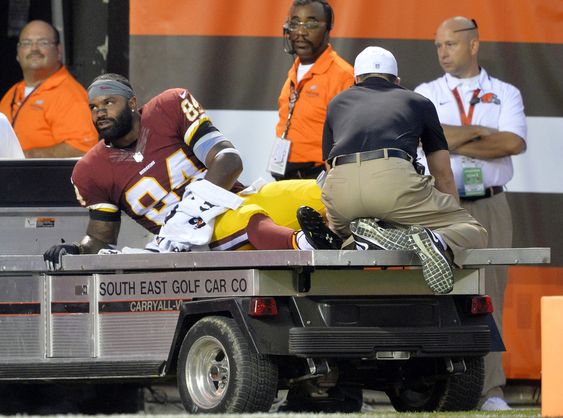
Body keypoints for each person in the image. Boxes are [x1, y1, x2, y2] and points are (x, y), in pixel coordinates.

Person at [43, 73, 341, 269]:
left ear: (132, 103)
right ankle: (304, 245)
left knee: (316, 192)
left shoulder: (169, 108)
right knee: (244, 219)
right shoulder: (90, 170)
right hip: (195, 245)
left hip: (234, 200)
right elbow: (101, 238)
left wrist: (192, 210)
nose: (101, 112)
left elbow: (228, 160)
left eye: (109, 102)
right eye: (94, 107)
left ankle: (366, 236)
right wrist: (78, 250)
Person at [414, 16, 527, 411]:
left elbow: (512, 142)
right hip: (442, 204)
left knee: (491, 294)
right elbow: (423, 140)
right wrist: (479, 131)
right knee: (436, 290)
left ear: (474, 45)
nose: (442, 52)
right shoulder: (425, 94)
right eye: (438, 45)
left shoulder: (505, 92)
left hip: (491, 203)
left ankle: (490, 390)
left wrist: (450, 137)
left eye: (450, 44)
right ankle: (435, 387)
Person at [320, 46, 488, 294]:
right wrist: (446, 222)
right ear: (397, 81)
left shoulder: (337, 102)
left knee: (345, 236)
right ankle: (435, 240)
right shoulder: (417, 102)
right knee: (474, 231)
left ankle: (359, 237)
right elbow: (442, 173)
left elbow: (327, 164)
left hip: (339, 186)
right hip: (392, 180)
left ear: (355, 80)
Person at [271, 0, 353, 180]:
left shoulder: (343, 76)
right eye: (294, 23)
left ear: (328, 28)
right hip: (284, 177)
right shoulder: (294, 71)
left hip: (317, 179)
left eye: (311, 23)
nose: (300, 31)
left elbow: (348, 141)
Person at [0, 20, 97, 158]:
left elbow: (83, 149)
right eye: (26, 43)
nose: (34, 49)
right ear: (17, 52)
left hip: (43, 178)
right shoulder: (12, 93)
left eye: (43, 42)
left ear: (58, 51)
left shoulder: (70, 95)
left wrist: (26, 157)